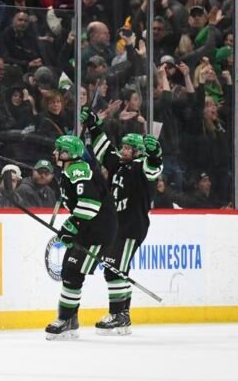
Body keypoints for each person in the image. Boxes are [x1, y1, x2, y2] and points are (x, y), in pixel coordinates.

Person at [81, 107, 163, 334]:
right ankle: (122, 314)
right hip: (116, 226)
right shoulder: (118, 163)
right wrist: (93, 125)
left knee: (114, 269)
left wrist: (155, 154)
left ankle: (118, 315)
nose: (124, 150)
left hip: (131, 227)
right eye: (124, 146)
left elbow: (154, 168)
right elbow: (103, 149)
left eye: (129, 148)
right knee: (116, 268)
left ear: (138, 152)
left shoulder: (141, 168)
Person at [45, 135, 117, 340]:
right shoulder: (72, 169)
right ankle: (69, 319)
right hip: (90, 227)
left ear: (68, 153)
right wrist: (74, 228)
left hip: (98, 230)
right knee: (71, 270)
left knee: (73, 271)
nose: (55, 153)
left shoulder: (77, 170)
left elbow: (90, 205)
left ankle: (67, 320)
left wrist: (73, 226)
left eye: (59, 149)